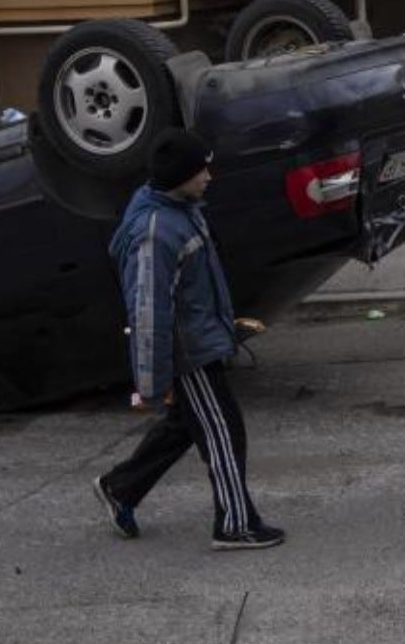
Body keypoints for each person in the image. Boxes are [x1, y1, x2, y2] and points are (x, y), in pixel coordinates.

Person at [93, 129, 285, 550]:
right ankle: (234, 524)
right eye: (202, 169)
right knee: (222, 430)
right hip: (189, 352)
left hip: (199, 340)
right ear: (181, 175)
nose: (210, 176)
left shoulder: (181, 208)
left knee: (187, 425)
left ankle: (121, 488)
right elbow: (148, 314)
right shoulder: (155, 232)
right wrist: (151, 385)